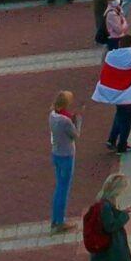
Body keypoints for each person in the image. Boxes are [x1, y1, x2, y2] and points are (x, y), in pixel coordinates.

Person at [47, 93, 79, 231]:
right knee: (63, 189)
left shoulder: (52, 115)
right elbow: (75, 135)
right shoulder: (66, 121)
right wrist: (77, 121)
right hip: (67, 155)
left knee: (59, 186)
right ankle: (60, 221)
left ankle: (55, 218)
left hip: (56, 153)